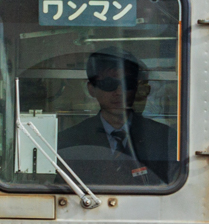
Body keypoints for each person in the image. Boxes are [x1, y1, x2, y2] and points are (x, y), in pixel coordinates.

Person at [57, 50, 178, 186]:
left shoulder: (164, 138)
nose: (119, 92)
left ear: (136, 88)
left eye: (127, 84)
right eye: (109, 84)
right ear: (92, 89)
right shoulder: (69, 141)